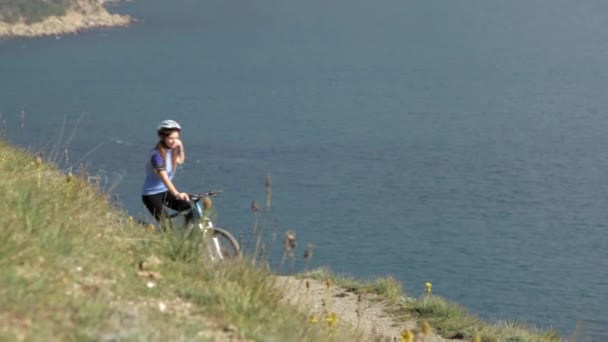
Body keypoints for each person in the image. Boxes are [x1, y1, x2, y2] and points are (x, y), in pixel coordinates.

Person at [141, 119, 191, 223]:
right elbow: (164, 178)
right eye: (170, 138)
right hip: (151, 194)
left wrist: (180, 145)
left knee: (188, 209)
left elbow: (180, 160)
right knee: (166, 226)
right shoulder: (156, 156)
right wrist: (177, 194)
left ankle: (186, 236)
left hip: (165, 191)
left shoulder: (171, 152)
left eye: (176, 138)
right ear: (163, 137)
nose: (174, 141)